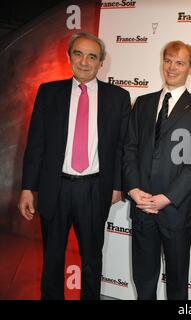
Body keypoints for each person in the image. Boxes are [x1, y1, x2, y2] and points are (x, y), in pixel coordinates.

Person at [18, 32, 131, 300]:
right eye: (78, 54)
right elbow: (36, 143)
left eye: (92, 56)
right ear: (69, 57)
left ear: (101, 62)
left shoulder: (118, 97)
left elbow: (122, 147)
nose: (84, 61)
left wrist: (118, 185)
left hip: (94, 189)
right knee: (53, 257)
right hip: (54, 188)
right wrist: (27, 188)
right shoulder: (49, 92)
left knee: (92, 260)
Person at [123, 41, 191, 300]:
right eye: (168, 60)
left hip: (175, 209)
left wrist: (168, 197)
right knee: (144, 276)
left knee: (177, 280)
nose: (172, 67)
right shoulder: (142, 103)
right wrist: (133, 189)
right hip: (141, 206)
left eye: (180, 62)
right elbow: (129, 149)